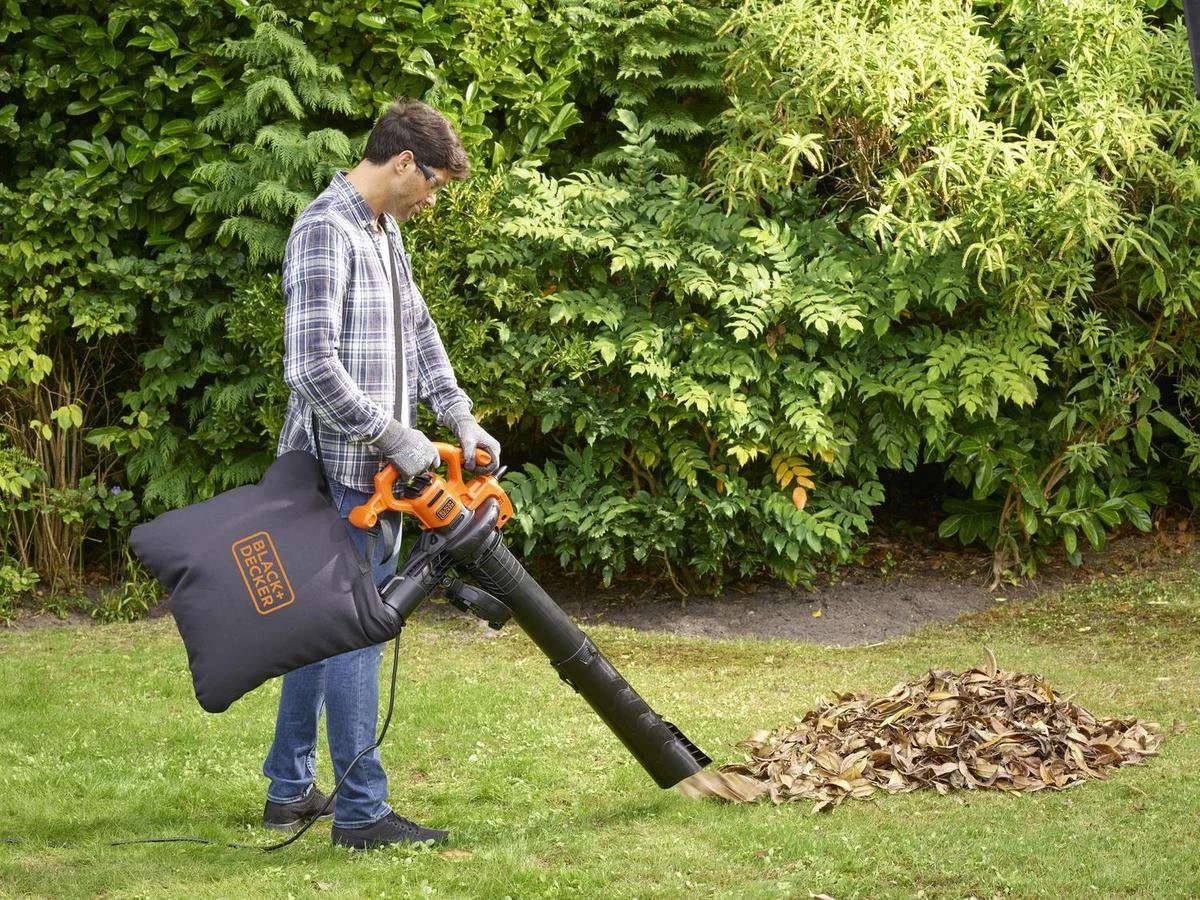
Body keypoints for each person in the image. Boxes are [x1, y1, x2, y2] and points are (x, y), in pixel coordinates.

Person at [260, 99, 500, 850]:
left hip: (377, 469)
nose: (432, 200)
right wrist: (393, 434)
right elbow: (310, 367)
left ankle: (289, 790)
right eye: (432, 185)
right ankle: (362, 814)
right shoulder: (325, 230)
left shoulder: (383, 230)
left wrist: (460, 417)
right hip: (343, 471)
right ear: (402, 162)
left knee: (321, 628)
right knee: (358, 634)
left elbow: (419, 331)